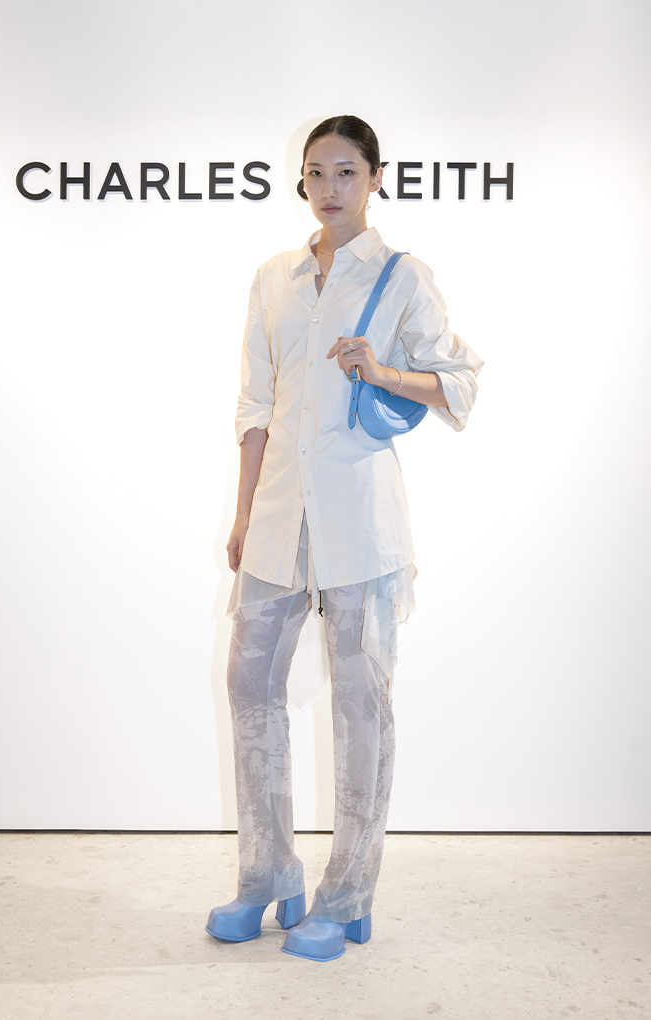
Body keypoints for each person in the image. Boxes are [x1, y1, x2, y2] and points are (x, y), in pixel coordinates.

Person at [205, 115, 483, 962]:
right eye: (316, 172)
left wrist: (382, 368)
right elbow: (255, 405)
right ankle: (268, 874)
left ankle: (348, 893)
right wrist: (244, 514)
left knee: (362, 705)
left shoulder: (402, 276)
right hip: (278, 517)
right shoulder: (274, 277)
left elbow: (460, 384)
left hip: (360, 520)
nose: (329, 188)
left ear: (374, 178)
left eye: (346, 172)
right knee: (249, 685)